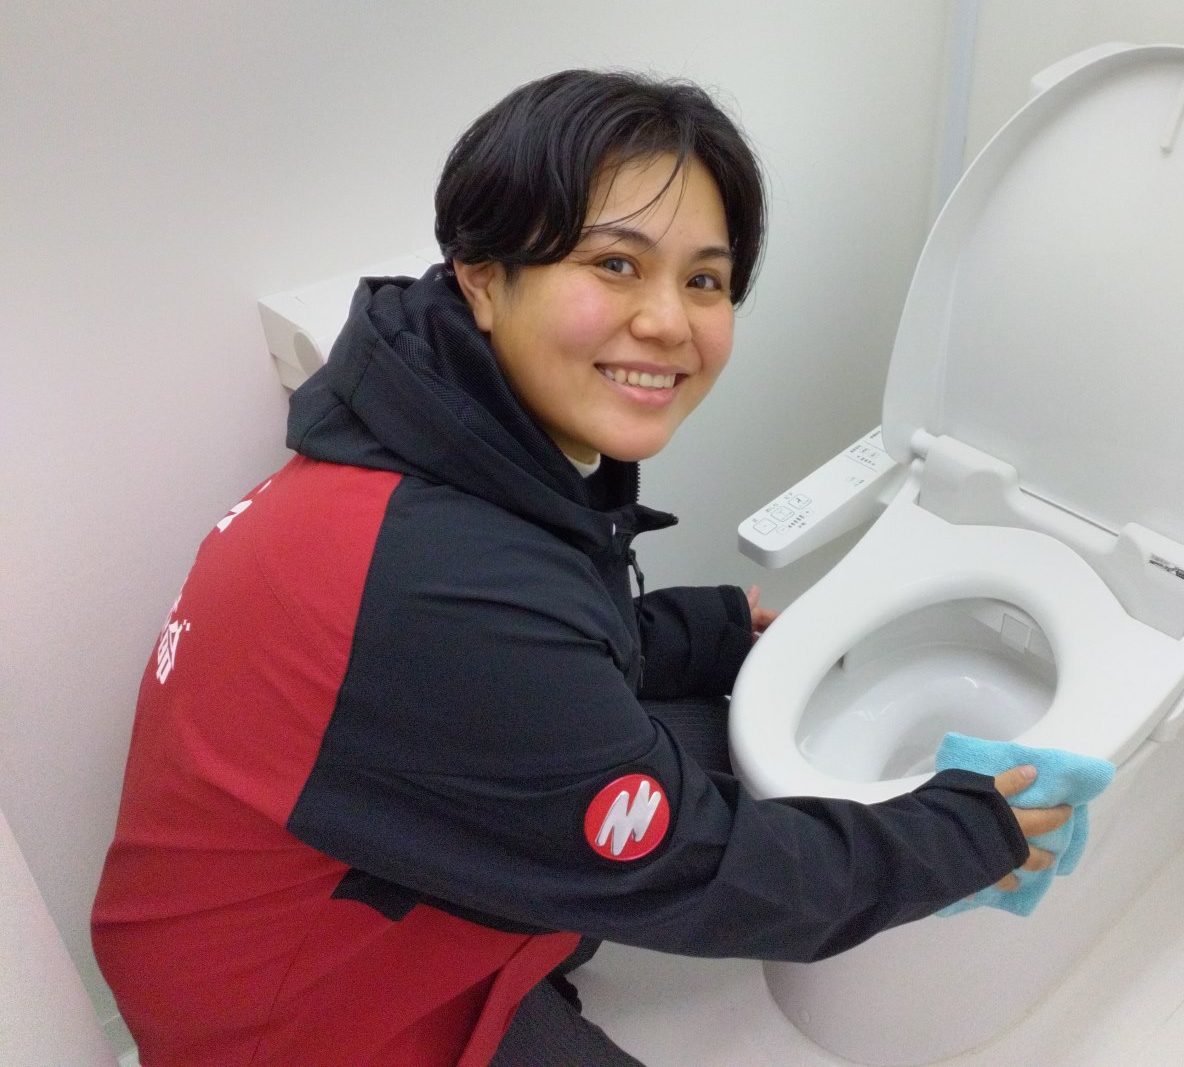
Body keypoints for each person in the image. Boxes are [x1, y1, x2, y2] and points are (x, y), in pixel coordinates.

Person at [91, 70, 1069, 1066]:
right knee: (697, 805)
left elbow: (543, 652)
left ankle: (532, 938)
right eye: (615, 264)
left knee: (708, 726)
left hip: (320, 895)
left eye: (704, 281)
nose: (668, 321)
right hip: (299, 1024)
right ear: (481, 274)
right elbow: (695, 869)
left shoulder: (433, 444)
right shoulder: (442, 580)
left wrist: (717, 630)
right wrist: (964, 836)